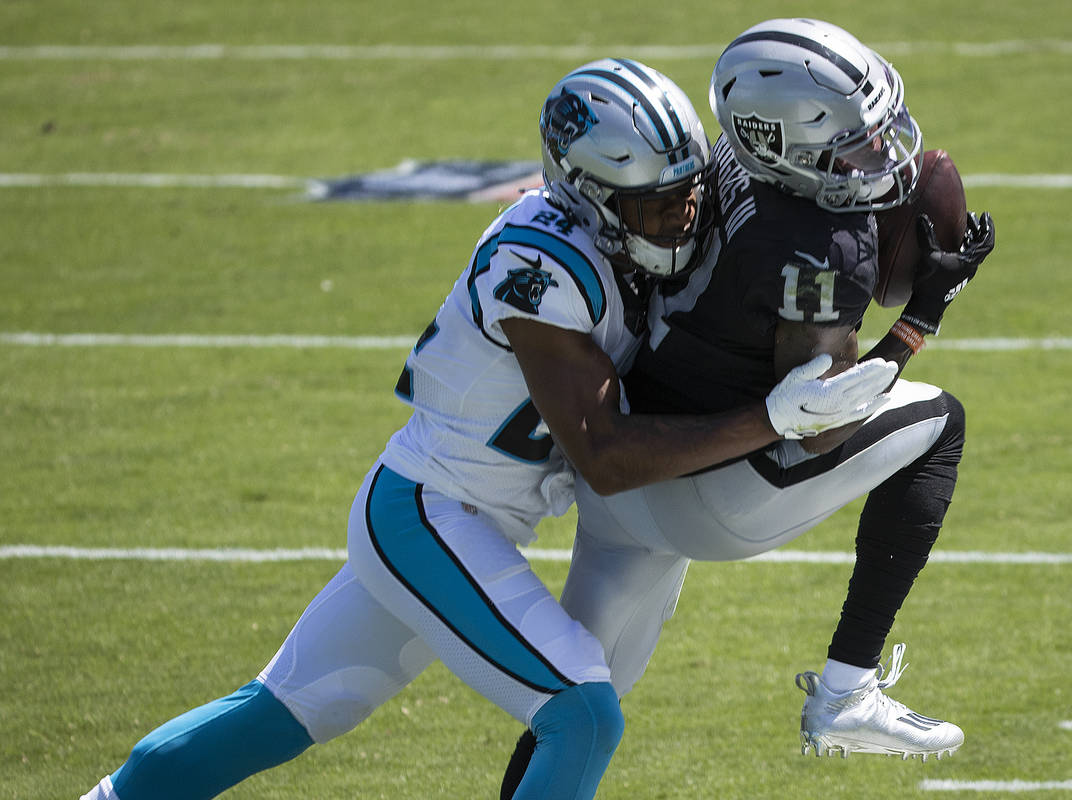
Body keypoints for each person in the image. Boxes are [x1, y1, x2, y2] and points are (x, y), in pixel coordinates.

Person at [80, 57, 899, 800]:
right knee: (581, 712)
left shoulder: (632, 239)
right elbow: (607, 456)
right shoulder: (537, 264)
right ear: (592, 198)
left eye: (689, 194)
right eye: (655, 207)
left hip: (476, 518)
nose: (682, 221)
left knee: (284, 712)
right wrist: (770, 417)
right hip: (430, 511)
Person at [500, 18, 997, 791]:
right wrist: (919, 319)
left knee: (571, 713)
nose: (884, 155)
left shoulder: (718, 159)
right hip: (715, 494)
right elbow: (821, 428)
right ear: (786, 143)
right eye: (856, 144)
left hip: (628, 467)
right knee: (942, 425)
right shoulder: (826, 247)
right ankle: (847, 690)